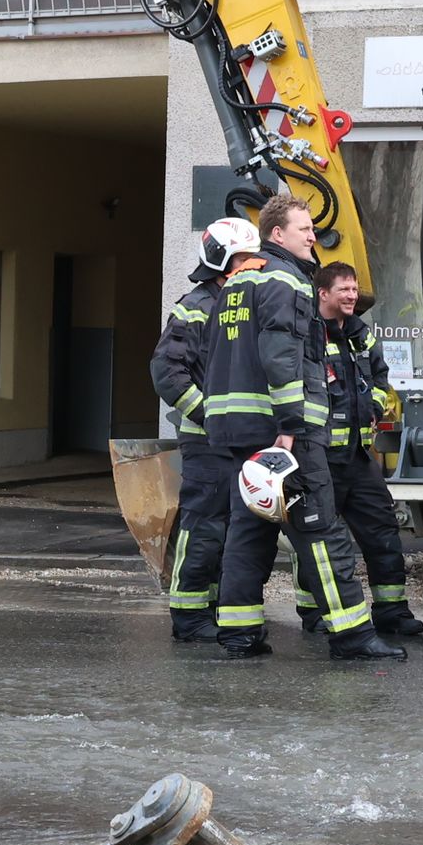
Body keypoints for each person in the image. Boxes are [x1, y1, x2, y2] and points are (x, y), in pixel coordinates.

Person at [201, 195, 399, 661]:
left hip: (240, 431)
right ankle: (352, 634)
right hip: (284, 431)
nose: (313, 236)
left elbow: (218, 355)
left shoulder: (237, 281)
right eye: (304, 229)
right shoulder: (287, 279)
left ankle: (239, 632)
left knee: (249, 532)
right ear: (277, 233)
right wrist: (290, 425)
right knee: (321, 528)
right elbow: (282, 356)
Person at [152, 214, 256, 642]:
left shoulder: (239, 303)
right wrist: (209, 416)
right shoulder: (196, 307)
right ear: (224, 262)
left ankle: (210, 606)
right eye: (247, 259)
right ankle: (189, 614)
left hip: (233, 441)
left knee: (227, 529)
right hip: (206, 441)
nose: (255, 265)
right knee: (204, 527)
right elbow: (167, 371)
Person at [314, 260, 423, 643]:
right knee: (321, 539)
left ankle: (392, 611)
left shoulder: (361, 334)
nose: (352, 295)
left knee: (382, 529)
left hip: (359, 457)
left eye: (354, 288)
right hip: (322, 458)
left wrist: (374, 405)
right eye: (344, 289)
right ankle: (315, 612)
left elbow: (380, 376)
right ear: (323, 293)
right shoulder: (308, 335)